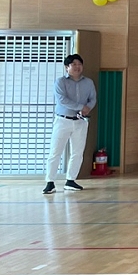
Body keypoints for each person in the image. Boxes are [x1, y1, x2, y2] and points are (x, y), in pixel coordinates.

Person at [43, 53, 97, 194]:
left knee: (77, 152)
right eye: (74, 64)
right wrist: (81, 107)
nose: (77, 67)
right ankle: (50, 182)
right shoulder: (60, 82)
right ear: (67, 67)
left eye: (79, 64)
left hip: (80, 121)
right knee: (55, 151)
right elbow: (62, 100)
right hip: (62, 120)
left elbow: (93, 99)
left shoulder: (88, 82)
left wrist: (87, 108)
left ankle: (71, 180)